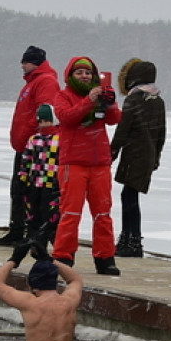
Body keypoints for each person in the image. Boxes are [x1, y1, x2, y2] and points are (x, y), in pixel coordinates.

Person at [51, 56, 123, 275]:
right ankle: (63, 256)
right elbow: (66, 117)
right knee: (70, 212)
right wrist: (88, 101)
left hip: (99, 162)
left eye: (88, 72)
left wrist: (109, 103)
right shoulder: (63, 96)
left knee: (103, 213)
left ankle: (105, 258)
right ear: (70, 76)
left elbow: (115, 119)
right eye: (79, 72)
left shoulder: (101, 94)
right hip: (73, 162)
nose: (85, 76)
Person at [0, 45, 60, 247]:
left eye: (25, 62)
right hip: (25, 146)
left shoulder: (45, 81)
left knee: (28, 191)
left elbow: (45, 113)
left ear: (35, 62)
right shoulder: (33, 82)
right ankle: (17, 229)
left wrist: (33, 137)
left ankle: (27, 231)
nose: (22, 66)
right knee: (19, 188)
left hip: (35, 148)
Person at [110, 58, 166, 258]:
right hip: (148, 154)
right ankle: (132, 240)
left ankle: (130, 240)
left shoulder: (134, 99)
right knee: (131, 196)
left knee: (129, 197)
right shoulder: (158, 101)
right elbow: (161, 133)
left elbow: (123, 129)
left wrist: (112, 151)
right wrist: (156, 156)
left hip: (134, 154)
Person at [0, 250, 83, 341]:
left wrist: (14, 260)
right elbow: (75, 280)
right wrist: (51, 260)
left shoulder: (30, 303)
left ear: (31, 284)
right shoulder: (70, 301)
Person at [17, 103, 61, 251]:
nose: (43, 124)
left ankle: (55, 245)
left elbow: (63, 162)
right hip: (35, 184)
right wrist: (23, 178)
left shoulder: (60, 139)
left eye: (46, 121)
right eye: (40, 121)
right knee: (33, 215)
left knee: (51, 217)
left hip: (52, 185)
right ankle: (35, 243)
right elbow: (26, 160)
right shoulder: (34, 139)